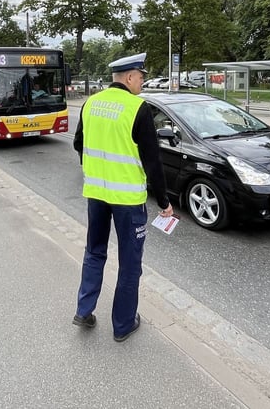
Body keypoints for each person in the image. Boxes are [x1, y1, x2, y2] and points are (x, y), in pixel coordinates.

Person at [72, 52, 174, 342]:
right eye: (141, 77)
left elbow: (79, 144)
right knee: (130, 263)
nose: (143, 82)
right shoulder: (137, 108)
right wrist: (165, 202)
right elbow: (153, 162)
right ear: (129, 77)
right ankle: (123, 324)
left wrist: (96, 172)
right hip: (128, 201)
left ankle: (84, 309)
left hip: (96, 194)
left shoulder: (90, 103)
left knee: (94, 251)